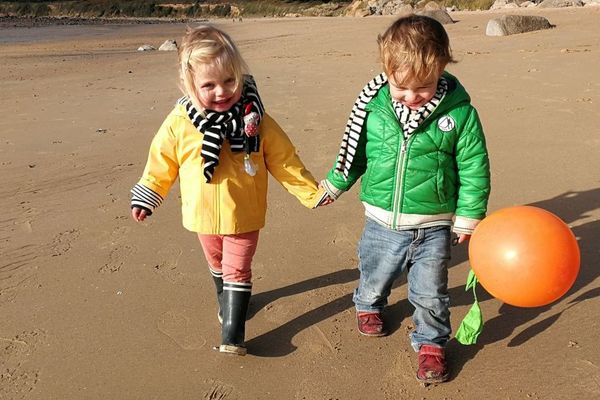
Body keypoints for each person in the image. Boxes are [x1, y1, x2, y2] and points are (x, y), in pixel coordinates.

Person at [130, 25, 329, 356]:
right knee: (217, 263)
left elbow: (284, 160)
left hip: (244, 213)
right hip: (202, 213)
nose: (221, 92)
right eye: (208, 85)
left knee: (238, 267)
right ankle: (227, 300)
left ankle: (233, 333)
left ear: (240, 75)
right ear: (189, 85)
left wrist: (311, 192)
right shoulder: (181, 122)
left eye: (229, 81)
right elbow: (160, 162)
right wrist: (148, 196)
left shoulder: (256, 121)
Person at [319, 15, 491, 383]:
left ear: (442, 69)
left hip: (434, 223)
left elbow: (475, 167)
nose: (413, 98)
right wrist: (335, 184)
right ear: (386, 71)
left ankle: (431, 343)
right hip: (381, 219)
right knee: (375, 271)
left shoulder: (459, 114)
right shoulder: (373, 107)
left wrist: (468, 216)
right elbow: (354, 154)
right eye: (402, 89)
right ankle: (368, 303)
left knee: (431, 291)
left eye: (425, 87)